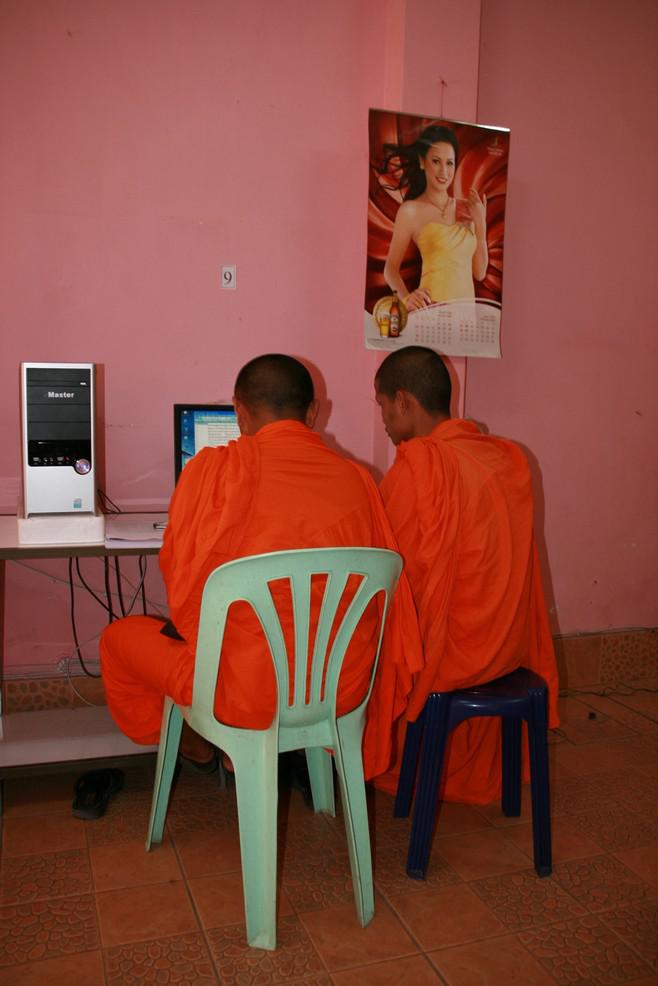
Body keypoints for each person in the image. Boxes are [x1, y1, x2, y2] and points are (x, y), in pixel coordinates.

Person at [100, 354, 422, 778]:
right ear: (312, 412)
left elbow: (183, 588)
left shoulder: (210, 472)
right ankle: (249, 752)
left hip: (240, 694)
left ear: (239, 410)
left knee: (118, 639)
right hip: (340, 688)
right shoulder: (359, 480)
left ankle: (201, 748)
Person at [372, 346, 559, 804]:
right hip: (507, 649)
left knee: (352, 635)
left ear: (403, 401)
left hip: (450, 659)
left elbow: (388, 572)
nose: (383, 422)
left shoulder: (418, 467)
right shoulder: (506, 458)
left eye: (382, 407)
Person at [381, 125, 488, 310]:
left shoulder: (467, 209)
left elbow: (479, 273)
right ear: (422, 162)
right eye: (436, 161)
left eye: (449, 163)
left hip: (466, 321)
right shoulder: (410, 211)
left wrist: (480, 223)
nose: (444, 172)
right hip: (430, 313)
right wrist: (406, 299)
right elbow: (390, 269)